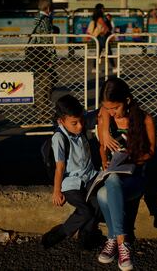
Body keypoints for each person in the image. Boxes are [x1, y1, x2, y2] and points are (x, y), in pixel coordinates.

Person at [96, 78, 156, 271]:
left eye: (115, 108)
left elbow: (151, 152)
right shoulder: (106, 116)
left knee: (107, 188)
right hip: (113, 176)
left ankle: (117, 240)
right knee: (102, 191)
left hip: (135, 177)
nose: (112, 112)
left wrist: (131, 159)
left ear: (127, 100)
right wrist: (105, 159)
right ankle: (121, 242)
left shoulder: (145, 119)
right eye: (108, 108)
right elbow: (101, 148)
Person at [41, 94, 102, 250]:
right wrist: (56, 191)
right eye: (74, 123)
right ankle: (60, 232)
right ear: (61, 121)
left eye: (81, 120)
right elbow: (60, 167)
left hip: (89, 176)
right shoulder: (59, 138)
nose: (80, 126)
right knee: (85, 211)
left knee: (97, 202)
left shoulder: (80, 122)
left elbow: (101, 112)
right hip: (71, 183)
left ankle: (85, 238)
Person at [28, 0, 57, 99]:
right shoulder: (46, 20)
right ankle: (44, 107)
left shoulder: (37, 18)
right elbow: (47, 40)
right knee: (48, 80)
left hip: (34, 52)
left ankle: (38, 100)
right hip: (43, 53)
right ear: (48, 8)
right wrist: (52, 58)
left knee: (39, 79)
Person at [88, 3, 116, 72]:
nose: (104, 10)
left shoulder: (96, 17)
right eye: (103, 8)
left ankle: (94, 68)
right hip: (101, 36)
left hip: (99, 36)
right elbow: (104, 26)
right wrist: (110, 35)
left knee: (98, 52)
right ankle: (114, 67)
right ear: (100, 9)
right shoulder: (99, 17)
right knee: (108, 51)